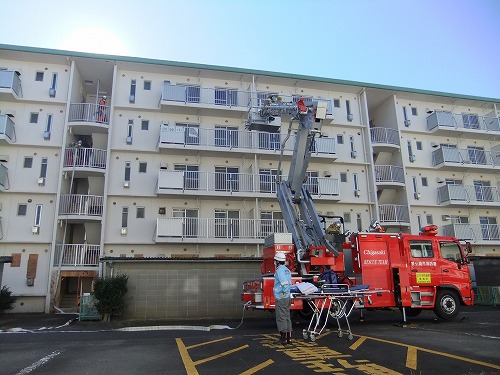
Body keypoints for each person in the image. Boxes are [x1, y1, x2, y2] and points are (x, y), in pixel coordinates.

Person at [273, 252, 292, 345]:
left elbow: (284, 283)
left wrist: (283, 293)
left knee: (281, 318)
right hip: (287, 296)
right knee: (287, 317)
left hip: (282, 297)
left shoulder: (279, 270)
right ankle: (288, 338)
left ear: (277, 261)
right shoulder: (287, 270)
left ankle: (283, 339)